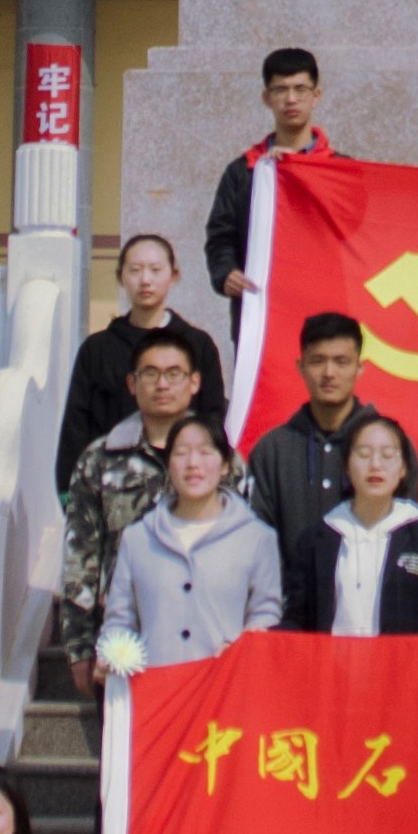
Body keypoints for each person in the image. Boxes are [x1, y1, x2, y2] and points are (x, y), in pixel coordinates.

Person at [56, 331, 205, 689]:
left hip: (204, 637)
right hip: (124, 638)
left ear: (194, 382)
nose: (162, 384)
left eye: (174, 374)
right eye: (150, 374)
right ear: (131, 383)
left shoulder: (222, 461)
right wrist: (79, 646)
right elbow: (81, 555)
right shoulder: (100, 460)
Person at [98, 413, 283, 665]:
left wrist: (243, 650)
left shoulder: (257, 538)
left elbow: (265, 613)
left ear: (226, 465)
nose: (193, 463)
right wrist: (113, 654)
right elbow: (120, 619)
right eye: (181, 453)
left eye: (205, 452)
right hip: (154, 689)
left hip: (226, 687)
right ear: (168, 464)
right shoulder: (137, 539)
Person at [56, 232, 227, 492]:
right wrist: (71, 492)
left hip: (184, 487)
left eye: (156, 270)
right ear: (120, 277)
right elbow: (76, 427)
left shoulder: (198, 345)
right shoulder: (97, 349)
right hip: (112, 486)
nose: (145, 280)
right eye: (135, 270)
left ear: (174, 275)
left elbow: (212, 416)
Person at [245, 314, 414, 560]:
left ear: (360, 367)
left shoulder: (391, 446)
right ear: (300, 367)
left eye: (341, 362)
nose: (329, 373)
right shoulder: (272, 450)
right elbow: (256, 539)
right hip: (290, 596)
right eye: (317, 361)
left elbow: (407, 531)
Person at [278, 410, 418, 634]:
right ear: (346, 466)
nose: (375, 465)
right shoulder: (316, 539)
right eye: (363, 454)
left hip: (401, 666)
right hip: (332, 666)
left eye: (387, 455)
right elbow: (296, 620)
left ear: (403, 467)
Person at [205, 49, 333, 323]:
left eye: (300, 89)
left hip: (325, 306)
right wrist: (225, 272)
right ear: (267, 98)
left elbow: (354, 227)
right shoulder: (244, 172)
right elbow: (220, 235)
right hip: (259, 312)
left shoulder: (339, 169)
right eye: (280, 89)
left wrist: (297, 170)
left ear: (316, 96)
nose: (291, 99)